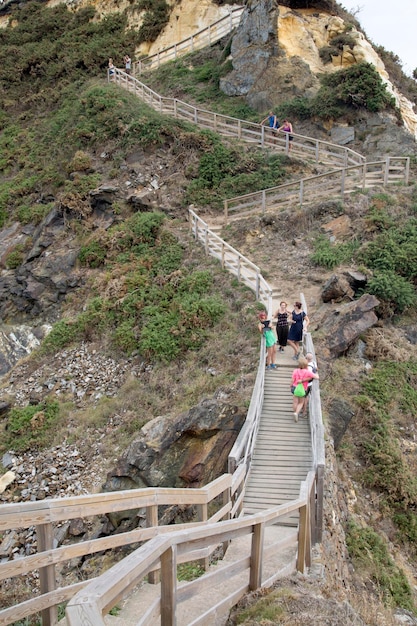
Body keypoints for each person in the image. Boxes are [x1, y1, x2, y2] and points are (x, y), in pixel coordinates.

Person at [291, 356, 319, 422]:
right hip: (303, 389)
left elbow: (292, 380)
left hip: (295, 387)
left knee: (295, 401)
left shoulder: (295, 371)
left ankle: (295, 412)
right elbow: (316, 377)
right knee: (301, 402)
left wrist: (290, 385)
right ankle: (296, 413)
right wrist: (316, 372)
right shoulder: (307, 372)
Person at [300, 351, 318, 417]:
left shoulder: (308, 367)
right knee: (305, 397)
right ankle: (303, 410)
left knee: (303, 398)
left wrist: (302, 380)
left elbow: (310, 376)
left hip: (306, 385)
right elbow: (316, 369)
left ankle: (304, 411)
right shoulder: (314, 363)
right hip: (309, 385)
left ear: (306, 358)